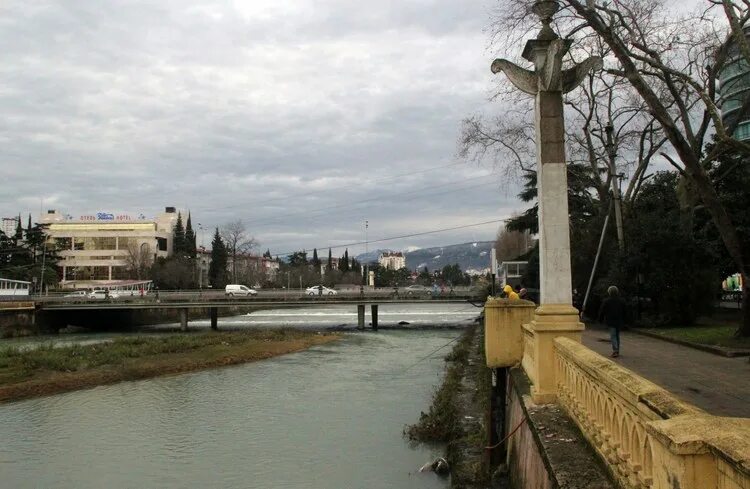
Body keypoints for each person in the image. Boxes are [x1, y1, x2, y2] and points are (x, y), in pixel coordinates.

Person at [598, 285, 626, 358]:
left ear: (609, 292)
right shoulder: (621, 301)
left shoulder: (606, 301)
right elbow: (625, 311)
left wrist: (600, 319)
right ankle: (617, 350)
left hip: (610, 321)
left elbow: (602, 311)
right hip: (619, 321)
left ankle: (615, 350)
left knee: (613, 335)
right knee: (617, 335)